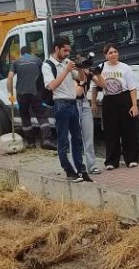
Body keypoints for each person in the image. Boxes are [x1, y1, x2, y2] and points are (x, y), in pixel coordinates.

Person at [43, 36, 90, 183]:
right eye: (65, 50)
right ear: (56, 49)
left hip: (72, 103)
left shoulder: (68, 63)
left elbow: (82, 79)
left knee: (77, 138)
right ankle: (69, 171)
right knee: (63, 140)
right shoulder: (47, 65)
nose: (67, 53)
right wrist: (66, 70)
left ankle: (81, 170)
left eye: (69, 50)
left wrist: (81, 67)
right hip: (60, 104)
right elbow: (51, 86)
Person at [91, 44, 139, 170]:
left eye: (115, 52)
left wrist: (134, 105)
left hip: (124, 98)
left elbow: (132, 88)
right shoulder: (101, 68)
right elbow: (95, 87)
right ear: (105, 55)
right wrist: (94, 103)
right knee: (111, 131)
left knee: (128, 129)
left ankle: (131, 158)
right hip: (109, 100)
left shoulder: (125, 68)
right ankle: (112, 161)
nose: (113, 55)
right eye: (110, 53)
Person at [6, 46, 56, 150]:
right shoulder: (37, 60)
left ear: (21, 53)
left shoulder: (16, 62)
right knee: (42, 116)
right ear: (30, 52)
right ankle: (46, 140)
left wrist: (10, 94)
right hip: (36, 92)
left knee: (25, 117)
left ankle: (31, 143)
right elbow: (43, 75)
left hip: (22, 94)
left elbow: (10, 77)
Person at [77, 61, 105, 175]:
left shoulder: (88, 74)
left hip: (84, 104)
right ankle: (78, 167)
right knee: (75, 138)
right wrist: (81, 73)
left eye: (86, 66)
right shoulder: (73, 74)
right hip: (72, 104)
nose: (86, 68)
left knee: (89, 137)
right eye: (83, 66)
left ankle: (92, 166)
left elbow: (102, 85)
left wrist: (97, 73)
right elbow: (78, 93)